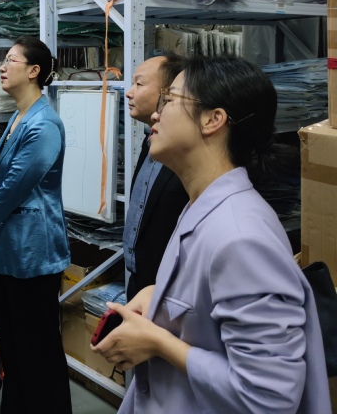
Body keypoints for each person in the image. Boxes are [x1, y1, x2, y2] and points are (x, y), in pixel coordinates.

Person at [93, 55, 331, 413]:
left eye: (169, 100)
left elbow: (269, 398)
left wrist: (158, 342)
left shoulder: (241, 237)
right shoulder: (201, 206)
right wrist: (161, 296)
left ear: (212, 119)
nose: (156, 114)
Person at [0, 36, 73, 414]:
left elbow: (15, 185)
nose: (3, 66)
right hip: (11, 251)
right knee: (14, 346)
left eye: (11, 60)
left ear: (33, 71)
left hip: (33, 254)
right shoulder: (20, 116)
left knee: (38, 350)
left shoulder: (44, 124)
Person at [123, 54, 188, 300]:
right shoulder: (149, 141)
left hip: (170, 290)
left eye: (139, 84)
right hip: (141, 282)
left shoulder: (183, 154)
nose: (128, 93)